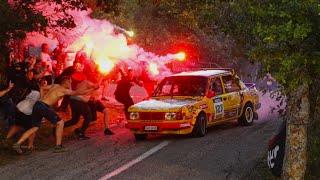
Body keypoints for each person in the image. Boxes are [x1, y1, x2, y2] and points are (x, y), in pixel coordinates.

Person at [12, 76, 94, 154]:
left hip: (38, 104)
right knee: (60, 122)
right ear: (66, 82)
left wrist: (41, 98)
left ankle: (17, 144)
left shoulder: (55, 85)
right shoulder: (63, 90)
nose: (70, 84)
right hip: (43, 107)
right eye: (70, 82)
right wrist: (91, 89)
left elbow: (42, 87)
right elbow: (77, 92)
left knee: (35, 127)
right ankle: (58, 146)